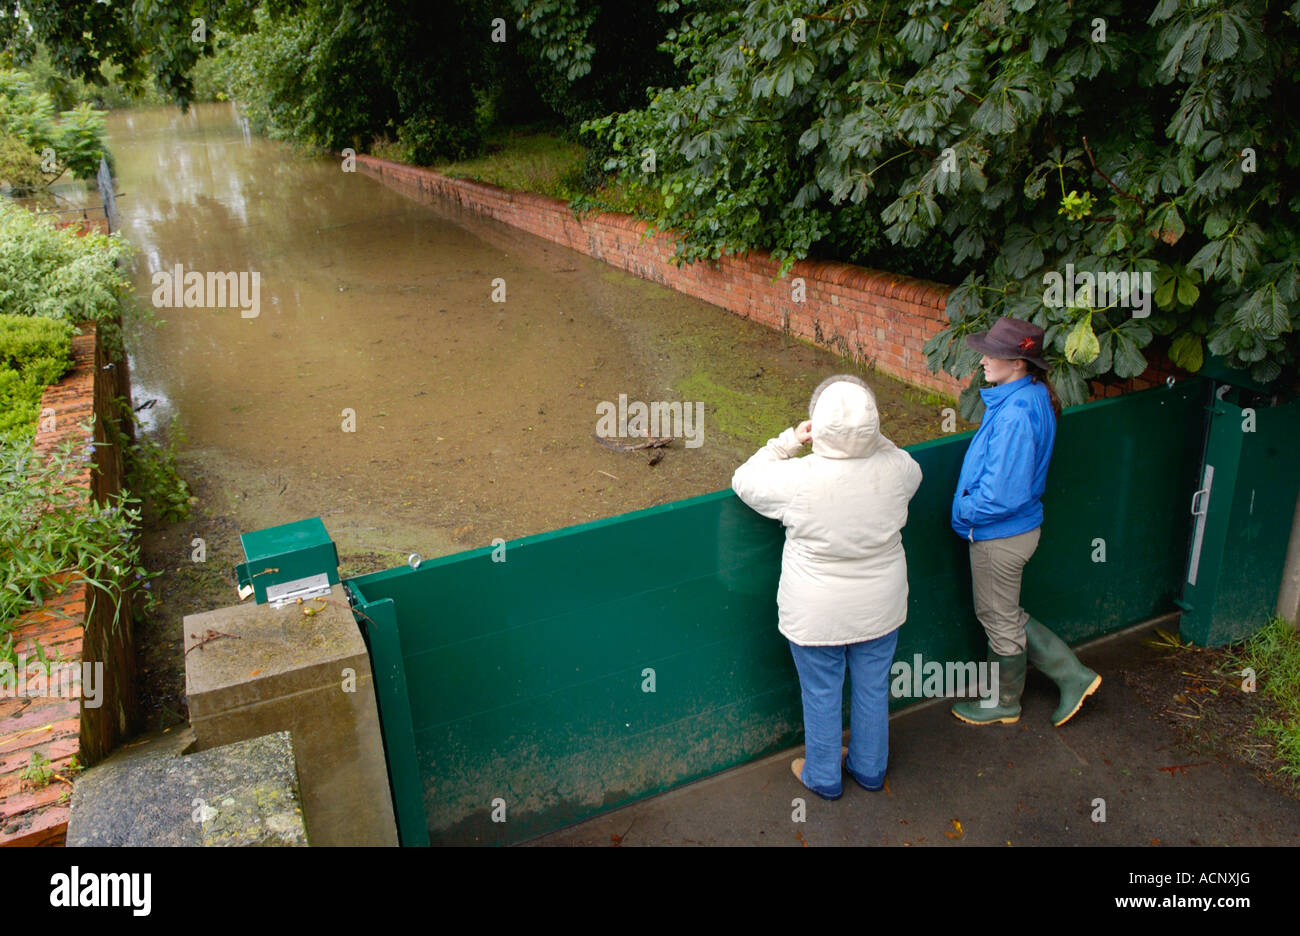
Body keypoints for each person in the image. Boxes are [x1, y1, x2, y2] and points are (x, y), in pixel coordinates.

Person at [732, 375, 922, 800]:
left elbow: (744, 480)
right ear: (873, 426)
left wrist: (786, 442)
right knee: (873, 688)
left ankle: (823, 775)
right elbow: (904, 462)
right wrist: (870, 439)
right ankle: (870, 770)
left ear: (816, 425)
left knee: (821, 692)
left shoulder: (797, 478)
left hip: (816, 614)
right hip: (881, 609)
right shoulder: (898, 471)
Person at [949, 317, 1101, 727]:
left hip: (1000, 535)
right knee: (1006, 612)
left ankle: (1004, 702)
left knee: (997, 618)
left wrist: (964, 510)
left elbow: (1002, 493)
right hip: (1017, 530)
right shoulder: (1031, 395)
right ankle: (1074, 676)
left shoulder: (1015, 413)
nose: (982, 360)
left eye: (992, 353)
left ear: (1018, 363)